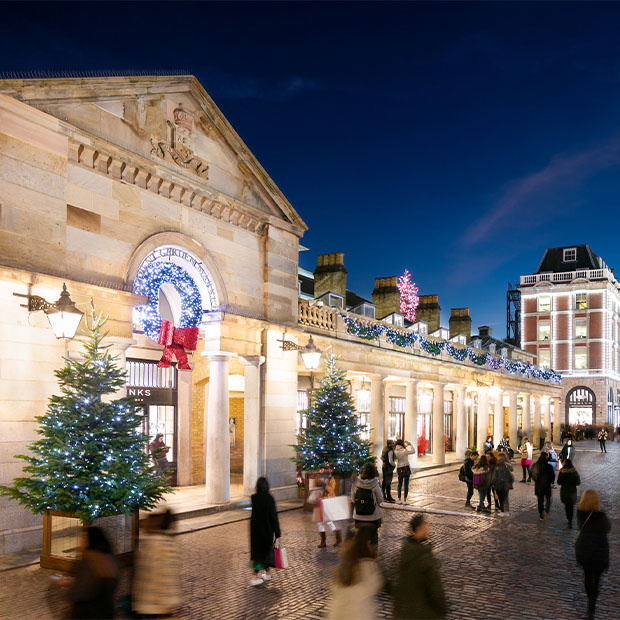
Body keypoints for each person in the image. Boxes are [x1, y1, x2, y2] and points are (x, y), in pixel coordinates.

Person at [392, 514, 448, 619]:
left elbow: (394, 585)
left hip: (406, 611)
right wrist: (442, 606)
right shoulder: (424, 555)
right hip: (424, 612)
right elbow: (435, 586)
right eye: (425, 524)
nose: (428, 527)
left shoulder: (403, 552)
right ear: (419, 528)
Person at [326, 525, 383, 620]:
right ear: (368, 544)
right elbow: (375, 585)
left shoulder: (345, 561)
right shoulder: (367, 565)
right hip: (358, 613)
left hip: (339, 612)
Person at [132, 509, 181, 616]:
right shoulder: (165, 543)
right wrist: (171, 600)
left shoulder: (146, 541)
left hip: (144, 602)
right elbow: (167, 573)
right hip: (159, 604)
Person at [68, 526, 119, 619]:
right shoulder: (110, 558)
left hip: (87, 613)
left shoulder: (89, 560)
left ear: (90, 541)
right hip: (106, 611)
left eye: (84, 538)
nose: (80, 541)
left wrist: (71, 586)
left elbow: (81, 591)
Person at [575, 490, 611, 619]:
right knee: (596, 580)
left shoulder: (581, 515)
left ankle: (590, 604)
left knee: (588, 578)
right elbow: (607, 528)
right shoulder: (601, 517)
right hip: (600, 553)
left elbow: (580, 526)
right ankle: (592, 606)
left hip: (586, 553)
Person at [250, 476, 281, 586]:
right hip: (267, 531)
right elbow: (273, 517)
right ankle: (254, 577)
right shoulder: (269, 499)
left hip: (255, 531)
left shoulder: (254, 498)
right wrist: (277, 532)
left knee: (261, 554)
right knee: (262, 555)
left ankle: (267, 574)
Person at [351, 463, 383, 555]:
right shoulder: (375, 483)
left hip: (358, 516)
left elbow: (353, 499)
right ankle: (373, 555)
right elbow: (380, 499)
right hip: (373, 517)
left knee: (361, 536)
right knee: (374, 537)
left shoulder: (355, 483)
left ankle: (361, 554)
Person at [315, 469, 344, 548]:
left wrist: (324, 485)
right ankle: (323, 541)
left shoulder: (331, 479)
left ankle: (339, 539)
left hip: (329, 503)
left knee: (331, 522)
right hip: (321, 502)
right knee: (320, 523)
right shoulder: (319, 478)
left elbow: (331, 491)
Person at [556, 458, 581, 529]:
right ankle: (570, 520)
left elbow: (559, 482)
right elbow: (578, 482)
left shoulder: (562, 472)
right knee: (571, 506)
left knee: (567, 506)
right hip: (572, 491)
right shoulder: (574, 472)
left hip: (564, 491)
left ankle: (568, 518)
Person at [531, 452, 555, 520]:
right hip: (547, 486)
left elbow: (532, 474)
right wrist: (551, 482)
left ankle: (541, 514)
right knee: (548, 499)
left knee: (540, 501)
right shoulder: (549, 466)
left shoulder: (535, 465)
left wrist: (536, 480)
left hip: (539, 486)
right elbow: (552, 476)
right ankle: (546, 511)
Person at [393, 439, 415, 505]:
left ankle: (399, 499)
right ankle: (405, 500)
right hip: (406, 467)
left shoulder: (395, 451)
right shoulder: (405, 451)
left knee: (399, 484)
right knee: (406, 484)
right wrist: (410, 445)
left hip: (399, 467)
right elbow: (413, 451)